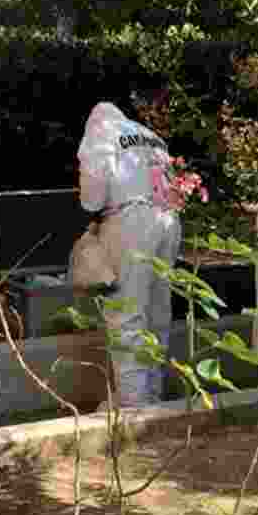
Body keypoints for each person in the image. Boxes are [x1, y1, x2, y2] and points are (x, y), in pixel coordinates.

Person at [78, 101, 181, 408]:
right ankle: (152, 397)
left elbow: (93, 190)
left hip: (131, 221)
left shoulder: (102, 129)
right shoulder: (150, 136)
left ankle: (133, 408)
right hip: (168, 221)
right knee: (157, 315)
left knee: (126, 315)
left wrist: (92, 208)